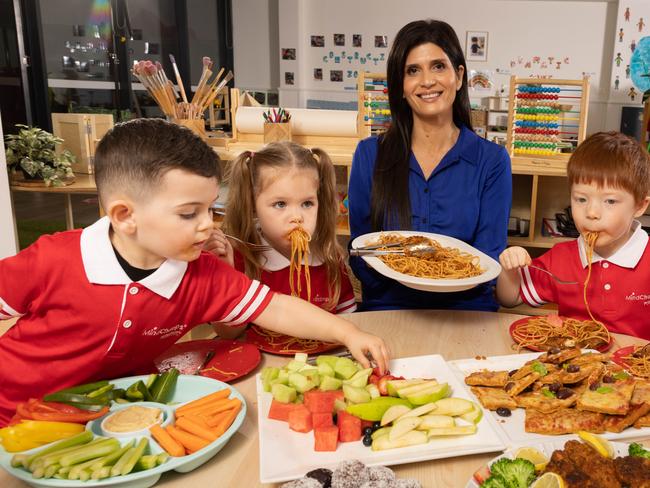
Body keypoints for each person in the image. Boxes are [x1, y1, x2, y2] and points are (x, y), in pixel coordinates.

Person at [0, 119, 389, 426]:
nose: (208, 226)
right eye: (189, 214)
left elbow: (277, 307)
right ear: (125, 216)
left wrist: (347, 332)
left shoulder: (202, 273)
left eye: (210, 210)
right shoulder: (54, 259)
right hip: (10, 414)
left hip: (111, 416)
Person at [348, 19, 511, 311]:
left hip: (467, 311)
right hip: (389, 309)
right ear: (399, 86)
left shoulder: (492, 161)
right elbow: (361, 250)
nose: (427, 81)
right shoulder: (370, 154)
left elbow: (489, 255)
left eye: (438, 66)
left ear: (459, 76)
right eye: (413, 70)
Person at [497, 132, 650, 339]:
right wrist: (509, 270)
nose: (591, 213)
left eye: (610, 201)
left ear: (640, 205)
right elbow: (510, 298)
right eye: (581, 199)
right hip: (572, 365)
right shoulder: (561, 258)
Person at [205, 142, 357, 340]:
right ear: (253, 205)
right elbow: (227, 334)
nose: (297, 217)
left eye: (307, 203)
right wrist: (225, 276)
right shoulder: (240, 260)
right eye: (280, 204)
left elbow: (351, 321)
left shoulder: (329, 257)